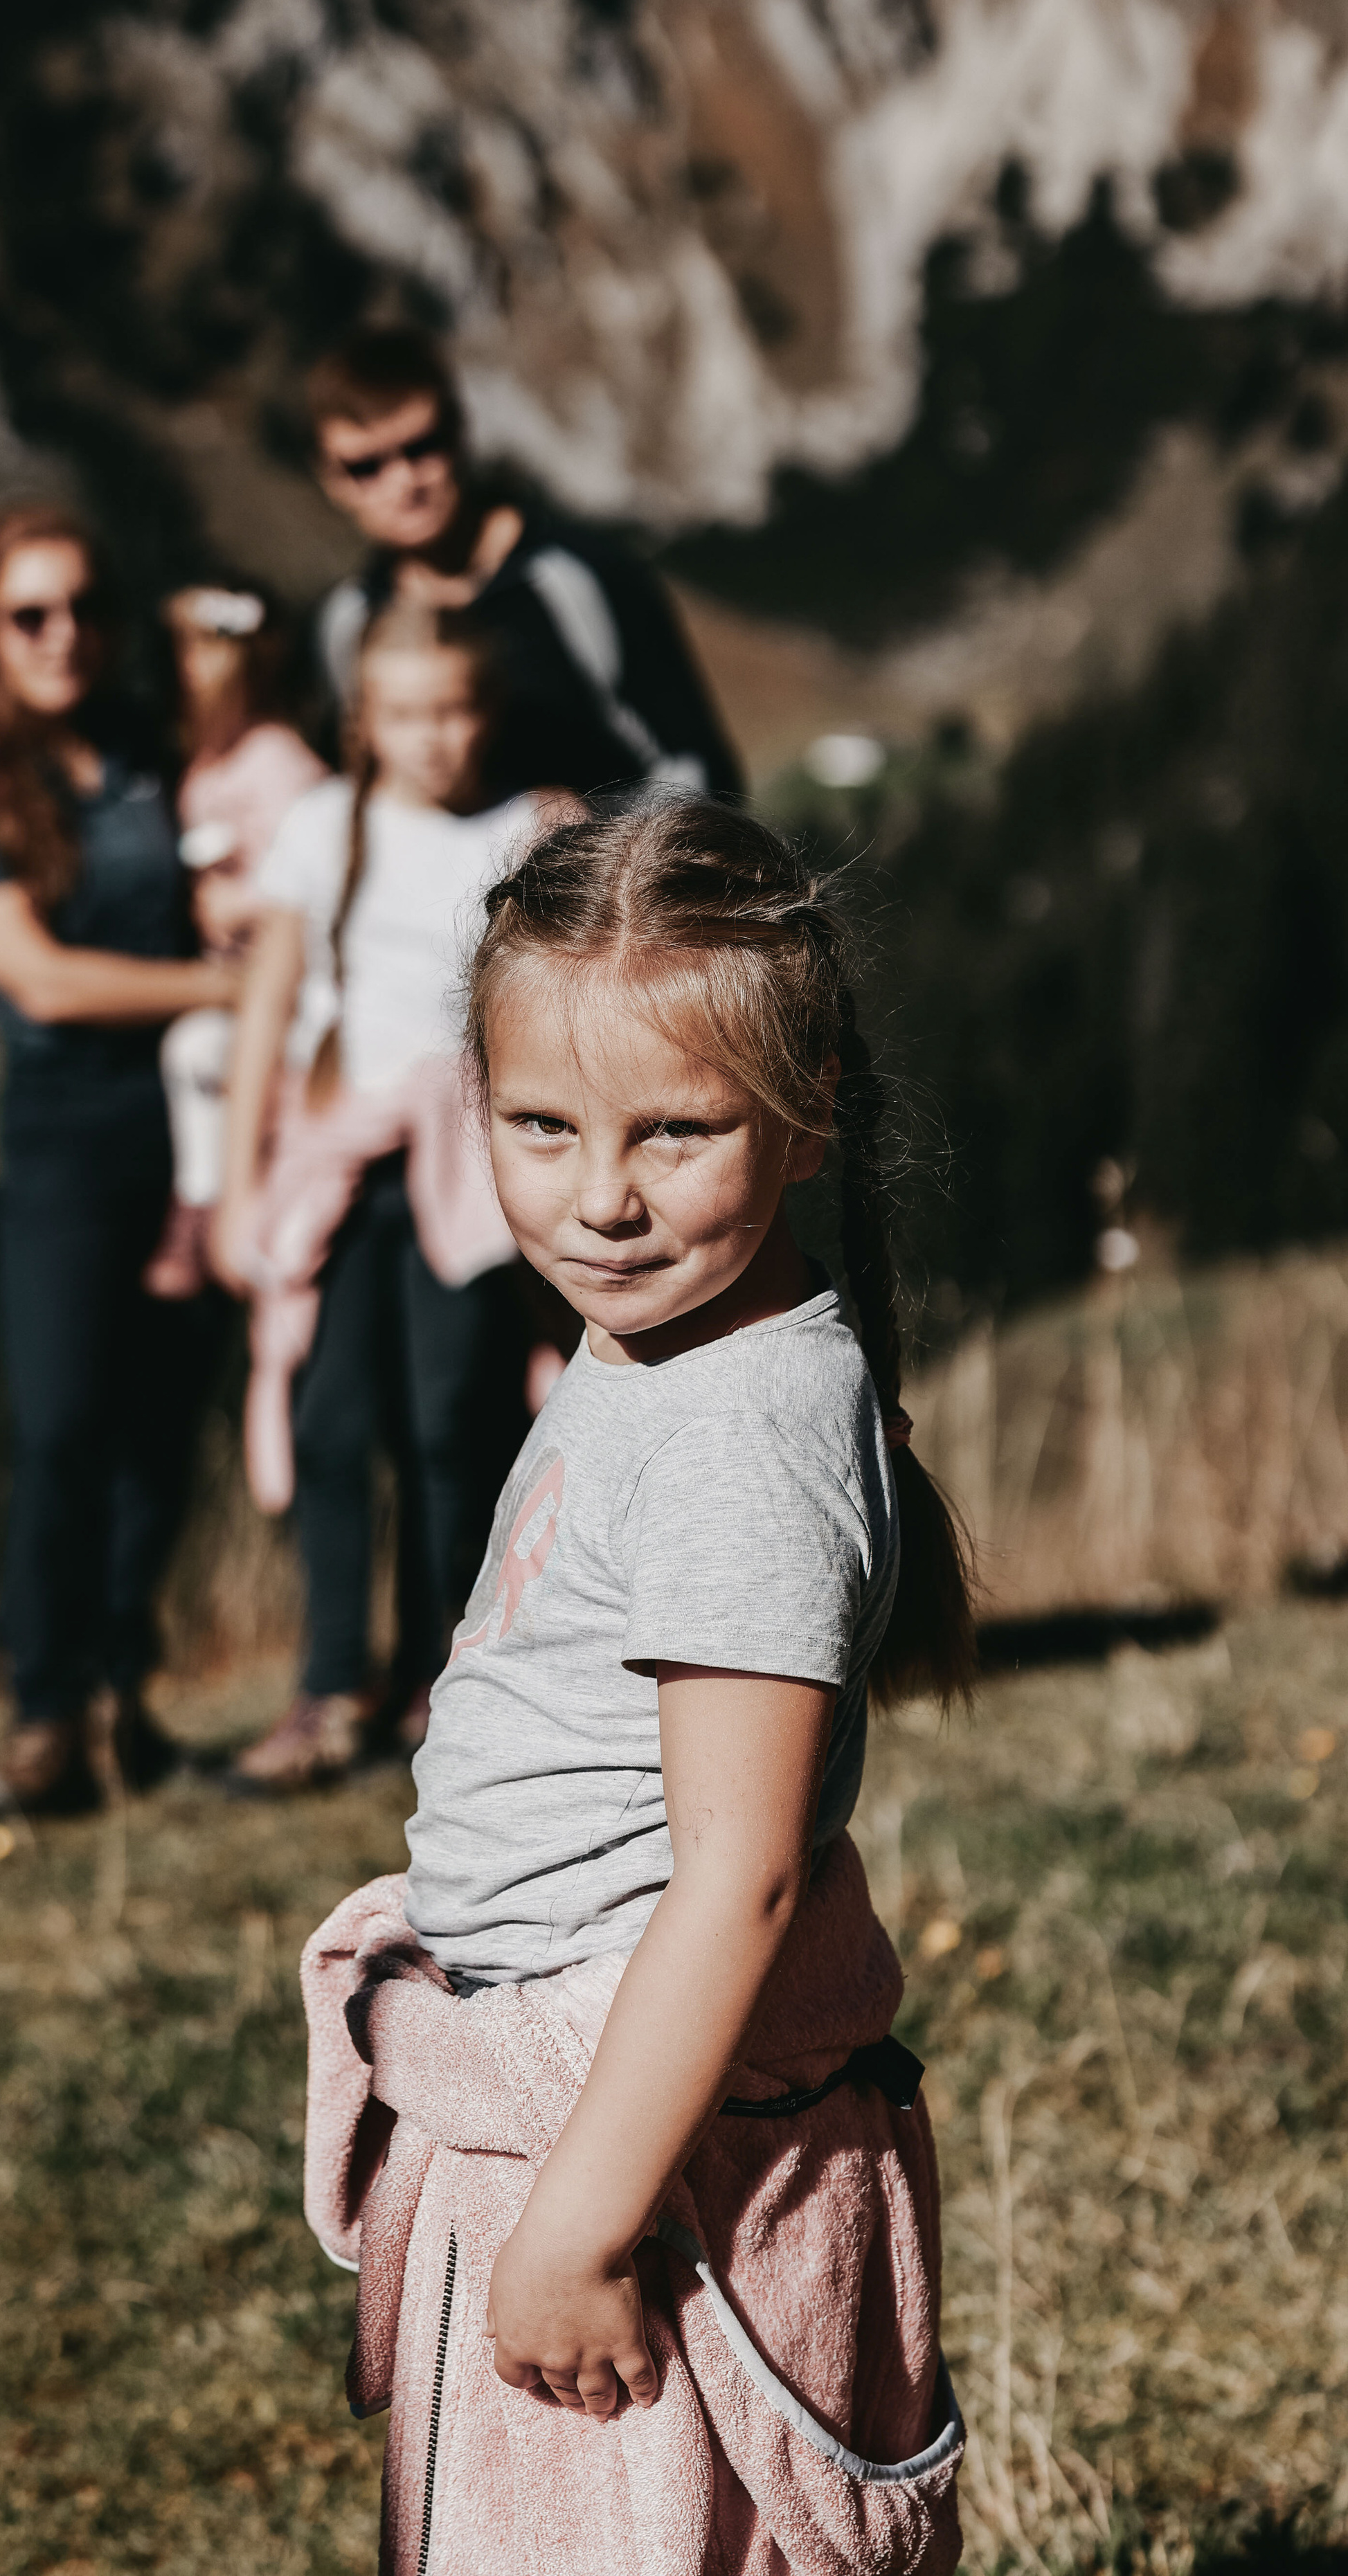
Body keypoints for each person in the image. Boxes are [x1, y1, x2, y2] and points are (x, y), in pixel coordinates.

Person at [299, 798, 976, 2570]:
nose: (598, 1194)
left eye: (675, 1132)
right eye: (539, 1124)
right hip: (589, 2107)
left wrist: (578, 2225)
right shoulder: (654, 1341)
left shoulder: (736, 1435)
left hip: (643, 2151)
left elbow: (738, 1874)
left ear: (805, 1107)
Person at [0, 502, 233, 1820]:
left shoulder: (150, 754)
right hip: (65, 1142)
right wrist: (223, 988)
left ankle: (124, 1695)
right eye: (29, 614)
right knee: (61, 1428)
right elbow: (36, 980)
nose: (63, 636)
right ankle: (43, 1714)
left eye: (85, 607)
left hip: (197, 1134)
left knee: (161, 1429)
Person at [211, 601, 546, 1793]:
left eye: (456, 709)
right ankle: (331, 1681)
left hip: (464, 1167)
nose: (435, 736)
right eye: (407, 713)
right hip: (338, 1164)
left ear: (487, 713)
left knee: (456, 1423)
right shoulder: (319, 829)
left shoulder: (521, 833)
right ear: (365, 720)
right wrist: (241, 1181)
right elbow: (269, 1000)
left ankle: (442, 1681)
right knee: (332, 1422)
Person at [305, 323, 744, 802]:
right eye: (366, 467)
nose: (404, 481)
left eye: (421, 447)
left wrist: (583, 838)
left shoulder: (579, 576)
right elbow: (357, 793)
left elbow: (697, 770)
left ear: (459, 435)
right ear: (333, 481)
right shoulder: (348, 626)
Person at [143, 581, 327, 1298]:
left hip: (283, 991)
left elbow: (318, 871)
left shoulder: (277, 762)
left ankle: (202, 1206)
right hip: (242, 984)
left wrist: (242, 905)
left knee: (194, 1052)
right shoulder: (203, 769)